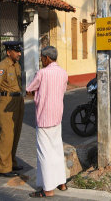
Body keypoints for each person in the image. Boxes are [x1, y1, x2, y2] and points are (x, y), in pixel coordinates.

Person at [26, 46, 68, 198]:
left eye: (42, 58)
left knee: (45, 153)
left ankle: (48, 189)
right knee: (57, 150)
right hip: (57, 117)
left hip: (44, 117)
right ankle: (62, 183)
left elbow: (30, 89)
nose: (41, 61)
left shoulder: (42, 73)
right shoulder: (63, 73)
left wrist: (36, 93)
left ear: (47, 58)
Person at [0, 41, 25, 177]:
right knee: (7, 135)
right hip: (6, 102)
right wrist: (0, 101)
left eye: (20, 51)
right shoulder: (2, 66)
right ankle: (3, 168)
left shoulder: (17, 65)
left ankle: (12, 162)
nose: (19, 54)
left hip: (18, 100)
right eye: (17, 51)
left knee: (16, 133)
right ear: (8, 52)